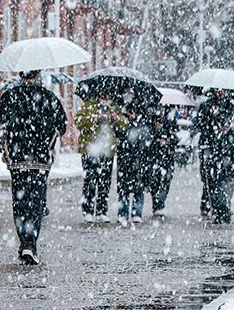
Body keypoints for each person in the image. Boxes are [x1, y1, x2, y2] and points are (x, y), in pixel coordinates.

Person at [0, 69, 67, 265]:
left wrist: (3, 146)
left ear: (21, 76)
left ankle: (25, 240)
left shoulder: (10, 97)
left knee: (20, 201)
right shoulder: (49, 97)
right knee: (36, 201)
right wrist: (48, 134)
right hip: (40, 160)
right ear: (38, 76)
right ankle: (30, 244)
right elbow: (63, 125)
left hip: (18, 160)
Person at [196, 90, 234, 224]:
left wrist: (231, 128)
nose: (220, 92)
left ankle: (225, 207)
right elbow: (200, 126)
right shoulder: (206, 106)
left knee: (228, 181)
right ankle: (217, 209)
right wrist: (212, 119)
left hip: (230, 151)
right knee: (212, 181)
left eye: (223, 89)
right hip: (212, 150)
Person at [75, 95, 127, 222]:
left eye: (108, 96)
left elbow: (124, 125)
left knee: (105, 182)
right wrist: (95, 118)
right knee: (90, 181)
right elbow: (78, 121)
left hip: (107, 151)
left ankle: (101, 211)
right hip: (91, 151)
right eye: (103, 95)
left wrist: (117, 119)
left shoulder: (113, 107)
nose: (106, 98)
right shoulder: (88, 105)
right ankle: (88, 210)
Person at [115, 93, 152, 225]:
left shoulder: (143, 121)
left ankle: (137, 213)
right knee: (124, 188)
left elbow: (146, 136)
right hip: (125, 158)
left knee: (138, 187)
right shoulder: (122, 120)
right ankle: (123, 213)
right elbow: (119, 134)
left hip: (138, 158)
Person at [146, 107, 179, 217]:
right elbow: (148, 139)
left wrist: (167, 141)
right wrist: (157, 140)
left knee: (165, 182)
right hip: (155, 158)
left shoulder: (170, 122)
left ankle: (160, 204)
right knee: (155, 182)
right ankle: (156, 205)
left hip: (167, 159)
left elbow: (175, 138)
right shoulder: (151, 120)